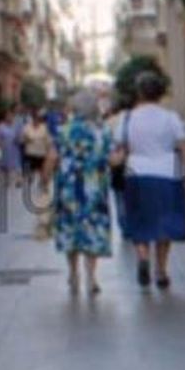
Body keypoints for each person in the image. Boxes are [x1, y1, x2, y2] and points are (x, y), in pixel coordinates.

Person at [114, 70, 185, 289]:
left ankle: (142, 256)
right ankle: (161, 270)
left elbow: (122, 148)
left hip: (137, 174)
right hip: (168, 174)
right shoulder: (171, 117)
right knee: (165, 222)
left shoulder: (127, 118)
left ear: (139, 92)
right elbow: (184, 147)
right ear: (159, 93)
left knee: (139, 219)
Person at [48, 88, 115, 295]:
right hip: (94, 189)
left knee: (71, 229)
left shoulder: (63, 130)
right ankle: (91, 276)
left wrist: (43, 180)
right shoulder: (103, 131)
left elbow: (52, 157)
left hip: (68, 188)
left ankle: (73, 272)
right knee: (92, 229)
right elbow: (111, 159)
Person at [20, 108, 52, 194]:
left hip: (41, 153)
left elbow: (48, 141)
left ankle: (44, 186)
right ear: (32, 120)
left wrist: (49, 152)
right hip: (30, 153)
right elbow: (22, 140)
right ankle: (32, 179)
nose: (36, 121)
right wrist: (26, 139)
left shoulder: (44, 128)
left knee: (42, 172)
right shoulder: (26, 128)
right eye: (34, 119)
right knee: (31, 171)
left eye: (37, 119)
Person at [0, 107, 22, 187]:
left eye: (11, 116)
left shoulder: (16, 126)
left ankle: (19, 180)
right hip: (4, 149)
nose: (9, 117)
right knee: (4, 166)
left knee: (17, 165)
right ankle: (6, 181)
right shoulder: (0, 126)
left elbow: (20, 137)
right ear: (5, 117)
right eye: (7, 116)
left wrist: (18, 139)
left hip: (14, 148)